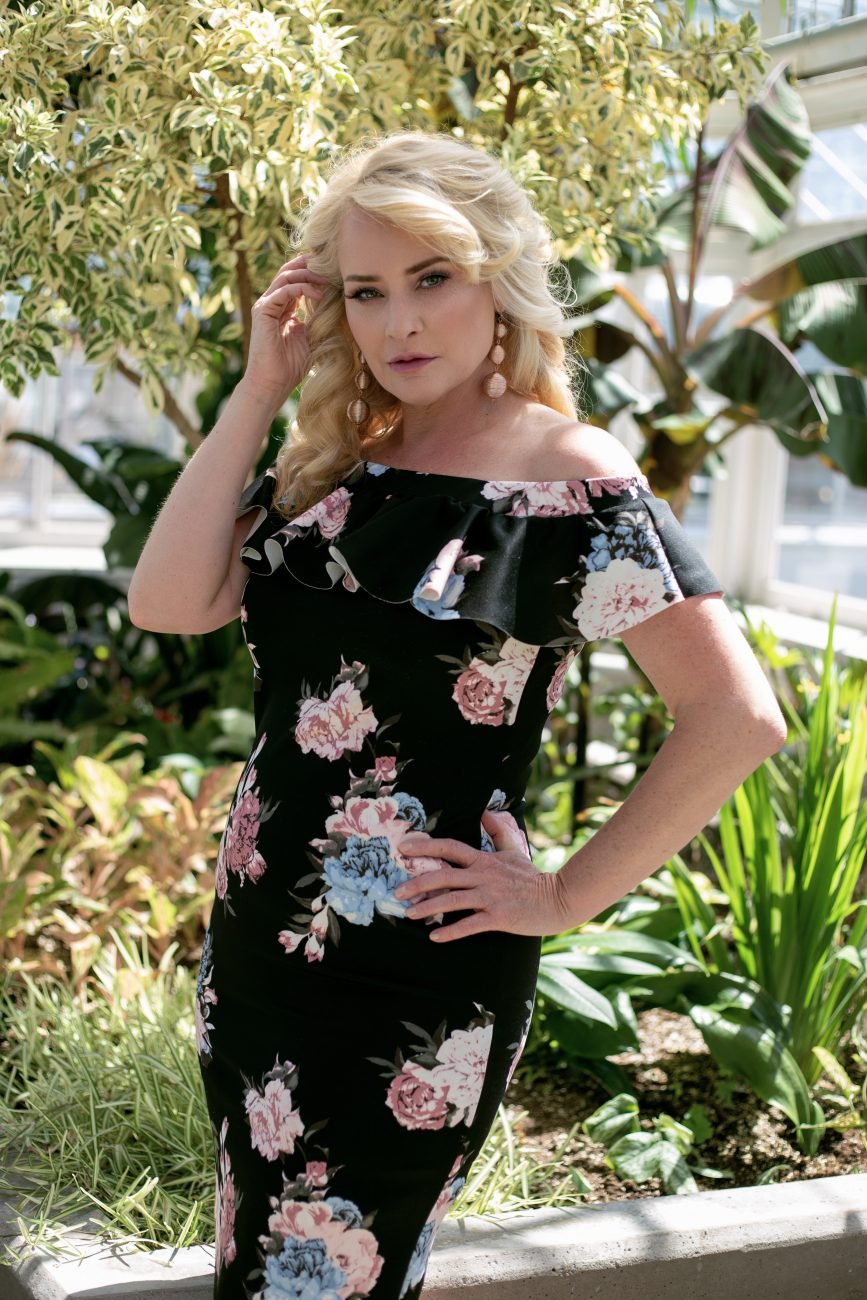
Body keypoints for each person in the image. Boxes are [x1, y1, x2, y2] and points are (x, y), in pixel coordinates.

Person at [128, 130, 787, 1300]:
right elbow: (168, 602)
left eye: (431, 278)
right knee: (264, 1273)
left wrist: (563, 896)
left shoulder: (567, 476)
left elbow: (738, 717)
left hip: (415, 982)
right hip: (262, 955)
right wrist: (261, 390)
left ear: (499, 277)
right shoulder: (343, 456)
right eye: (367, 292)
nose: (400, 322)